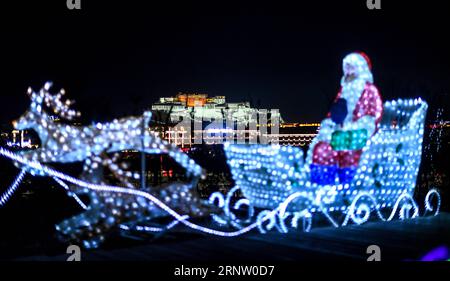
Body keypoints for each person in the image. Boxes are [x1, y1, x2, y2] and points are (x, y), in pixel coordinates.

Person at [307, 52, 383, 185]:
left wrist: (354, 127)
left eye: (351, 67)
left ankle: (348, 186)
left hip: (359, 136)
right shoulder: (344, 91)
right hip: (338, 135)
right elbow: (332, 115)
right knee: (322, 149)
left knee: (349, 153)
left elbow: (373, 116)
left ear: (360, 68)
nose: (347, 71)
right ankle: (323, 187)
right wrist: (328, 125)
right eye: (346, 67)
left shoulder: (370, 90)